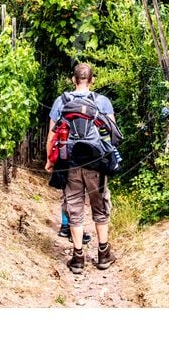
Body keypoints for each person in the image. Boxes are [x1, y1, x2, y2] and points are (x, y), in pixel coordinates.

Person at [45, 63, 116, 274]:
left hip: (71, 163)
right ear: (92, 80)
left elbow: (52, 135)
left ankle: (77, 258)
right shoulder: (102, 101)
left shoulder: (62, 101)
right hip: (96, 164)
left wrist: (50, 161)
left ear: (73, 80)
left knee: (74, 206)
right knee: (100, 205)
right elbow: (112, 134)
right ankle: (103, 254)